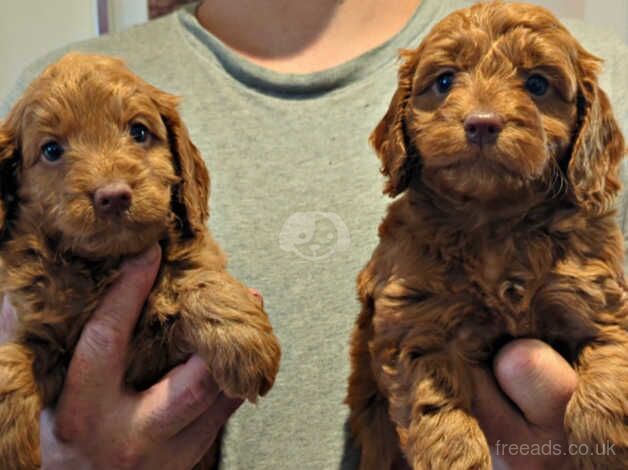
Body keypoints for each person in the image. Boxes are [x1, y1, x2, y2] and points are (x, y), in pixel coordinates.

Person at [1, 0, 626, 468]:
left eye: (538, 87)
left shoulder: (614, 70)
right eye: (442, 85)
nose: (484, 111)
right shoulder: (36, 92)